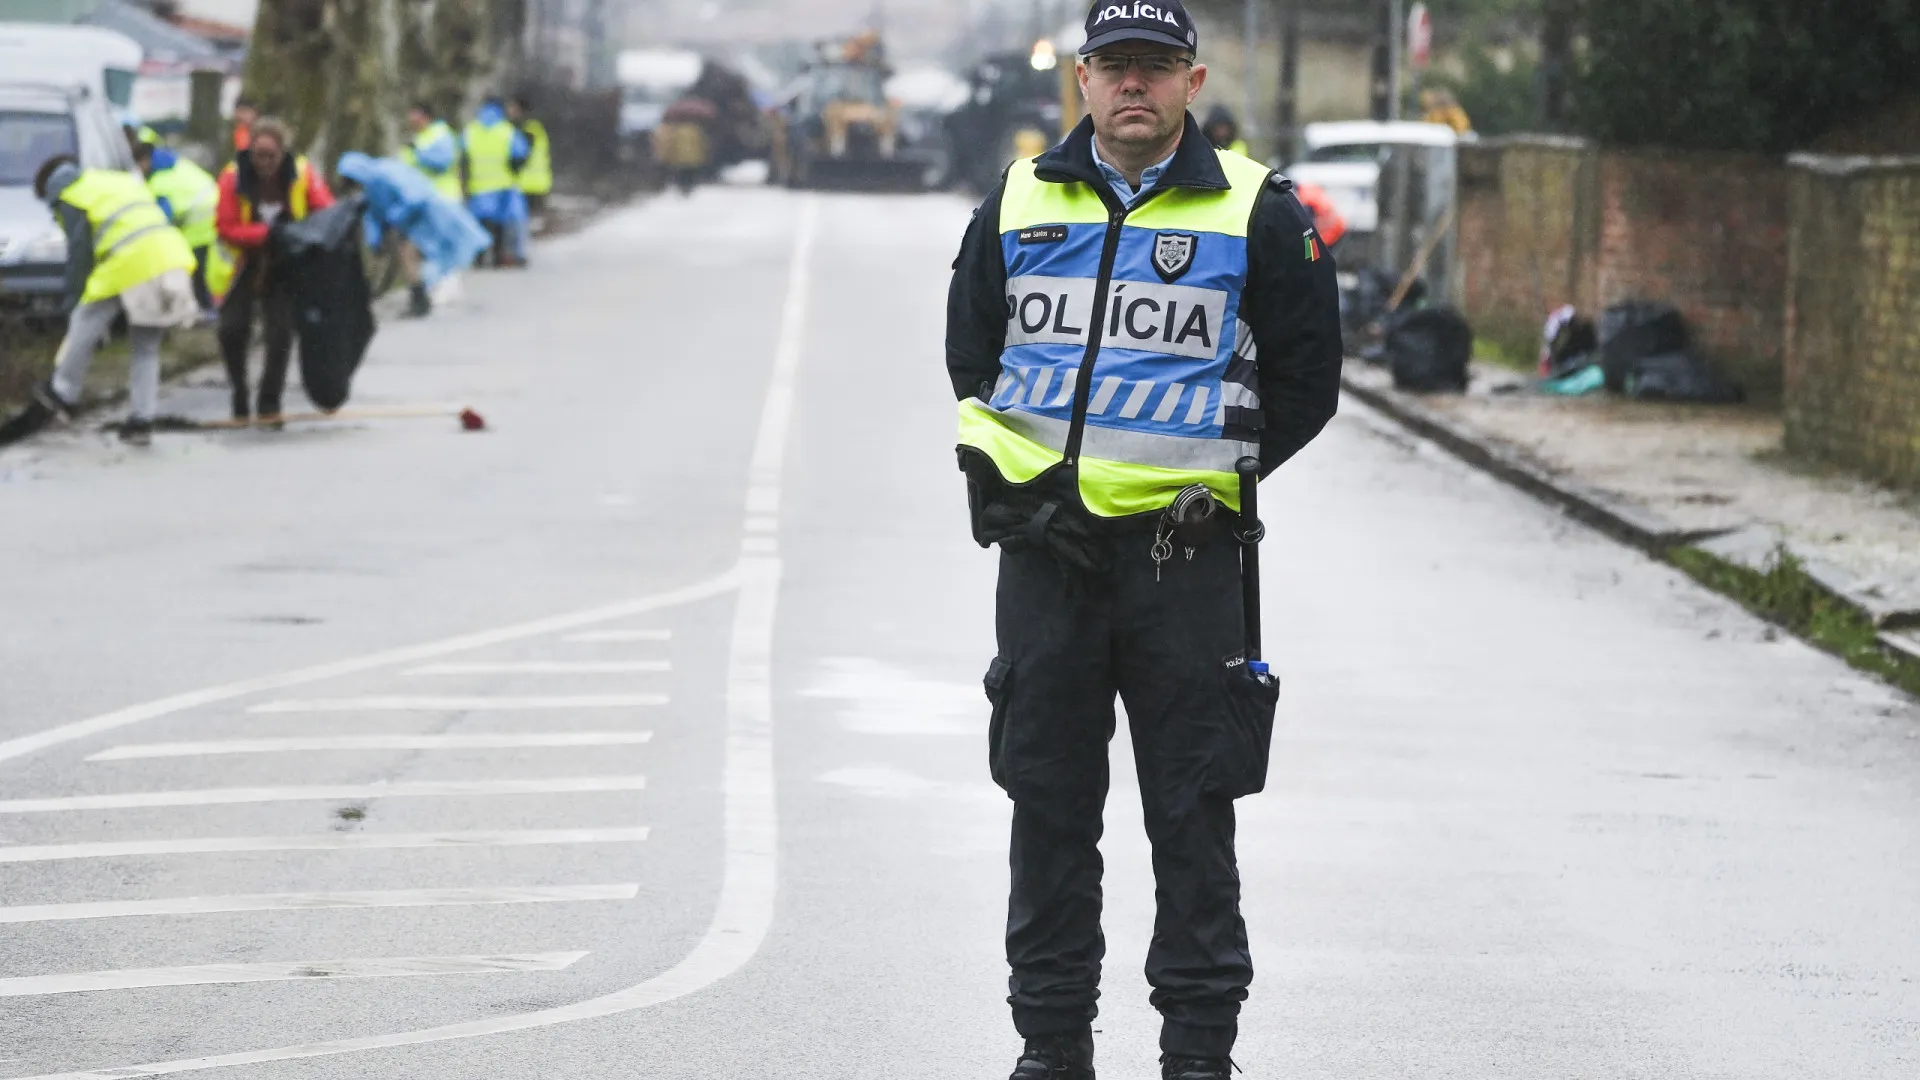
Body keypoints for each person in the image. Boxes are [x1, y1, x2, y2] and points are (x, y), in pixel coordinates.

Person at [944, 1, 1343, 1077]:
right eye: (1115, 68)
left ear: (1192, 85)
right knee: (1049, 812)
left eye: (1156, 70)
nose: (1135, 87)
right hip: (1050, 561)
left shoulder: (1260, 210)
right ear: (1082, 80)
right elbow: (973, 357)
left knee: (1194, 817)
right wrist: (1031, 491)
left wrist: (1215, 479)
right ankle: (1052, 1047)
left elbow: (1308, 381)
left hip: (1187, 562)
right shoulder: (1018, 199)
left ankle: (1200, 1057)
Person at [0, 155, 199, 449]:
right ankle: (141, 420)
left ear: (49, 188)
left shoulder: (70, 195)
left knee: (84, 319)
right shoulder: (113, 181)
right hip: (168, 256)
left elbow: (80, 252)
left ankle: (62, 392)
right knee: (145, 346)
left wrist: (72, 298)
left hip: (128, 260)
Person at [209, 118, 334, 425]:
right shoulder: (231, 179)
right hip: (242, 262)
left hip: (284, 263)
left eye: (271, 156)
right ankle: (239, 391)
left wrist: (298, 237)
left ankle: (269, 401)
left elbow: (325, 213)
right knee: (231, 329)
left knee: (280, 332)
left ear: (283, 155)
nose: (264, 163)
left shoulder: (303, 175)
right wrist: (266, 234)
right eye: (258, 155)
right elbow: (226, 227)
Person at [336, 151, 491, 319]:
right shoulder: (371, 186)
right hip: (413, 223)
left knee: (415, 255)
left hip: (430, 216)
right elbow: (375, 216)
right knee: (412, 257)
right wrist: (376, 240)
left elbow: (415, 196)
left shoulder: (386, 172)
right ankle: (423, 296)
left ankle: (424, 297)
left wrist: (394, 216)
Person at [134, 138, 220, 313]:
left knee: (195, 272)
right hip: (214, 216)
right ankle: (209, 307)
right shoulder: (177, 163)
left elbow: (161, 219)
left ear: (145, 160)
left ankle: (205, 309)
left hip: (199, 226)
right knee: (207, 272)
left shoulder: (159, 182)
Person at [461, 96, 530, 267]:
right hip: (502, 186)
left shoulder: (471, 130)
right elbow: (520, 154)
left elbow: (462, 155)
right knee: (500, 225)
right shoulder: (507, 131)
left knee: (479, 225)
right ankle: (498, 257)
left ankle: (479, 258)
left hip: (477, 186)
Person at [508, 95, 551, 262]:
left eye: (512, 108)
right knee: (521, 220)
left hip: (528, 183)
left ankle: (519, 253)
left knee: (519, 220)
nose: (509, 112)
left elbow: (521, 155)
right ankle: (519, 251)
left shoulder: (528, 129)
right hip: (533, 182)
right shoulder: (533, 127)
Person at [402, 102, 465, 205]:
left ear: (425, 116)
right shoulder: (416, 138)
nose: (411, 119)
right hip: (424, 199)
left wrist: (419, 154)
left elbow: (444, 162)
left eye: (414, 115)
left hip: (444, 196)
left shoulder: (440, 133)